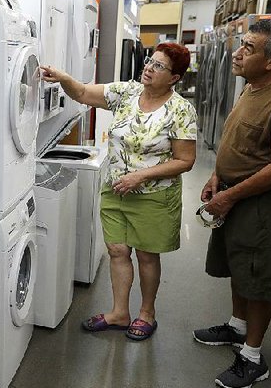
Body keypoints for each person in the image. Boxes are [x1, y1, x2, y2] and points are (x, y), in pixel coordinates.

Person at [40, 43, 197, 341]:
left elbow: (185, 160)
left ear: (174, 77)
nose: (149, 68)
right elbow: (84, 93)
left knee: (147, 257)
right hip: (116, 190)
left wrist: (140, 176)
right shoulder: (128, 92)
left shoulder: (181, 110)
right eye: (150, 61)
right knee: (117, 251)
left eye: (159, 66)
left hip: (154, 195)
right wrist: (63, 78)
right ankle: (119, 313)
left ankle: (146, 313)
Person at [193, 19, 271, 388]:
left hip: (261, 204)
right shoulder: (252, 86)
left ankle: (252, 358)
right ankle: (237, 327)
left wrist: (231, 194)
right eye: (241, 44)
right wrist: (217, 176)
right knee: (240, 267)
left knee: (258, 278)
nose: (237, 52)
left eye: (248, 48)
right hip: (234, 193)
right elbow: (236, 138)